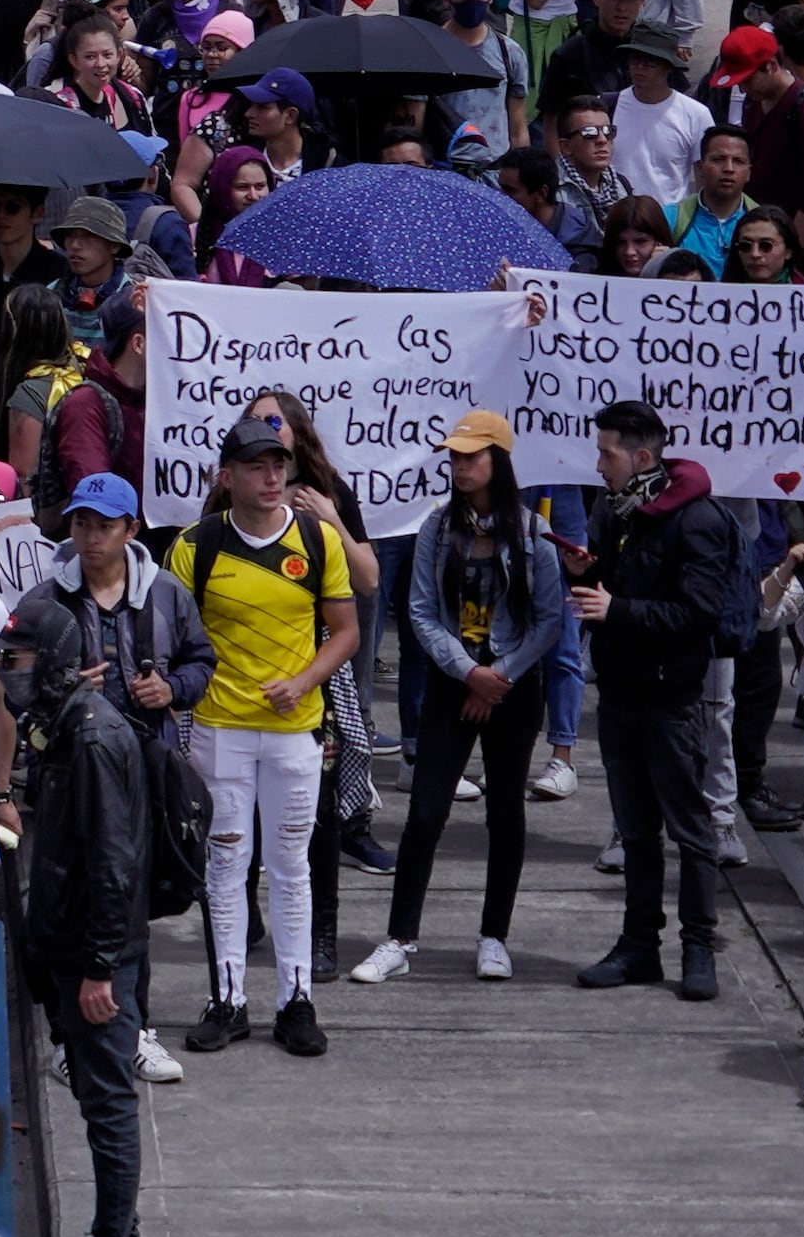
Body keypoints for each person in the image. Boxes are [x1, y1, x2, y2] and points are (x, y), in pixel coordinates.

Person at [361, 407, 571, 986]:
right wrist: (467, 672)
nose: (458, 465)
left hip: (511, 690)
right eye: (453, 456)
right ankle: (400, 937)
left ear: (498, 462)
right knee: (425, 812)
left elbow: (549, 620)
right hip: (454, 687)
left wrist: (497, 675)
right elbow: (422, 613)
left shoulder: (532, 535)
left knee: (506, 813)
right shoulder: (435, 528)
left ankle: (494, 937)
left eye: (470, 456)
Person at [178, 411, 356, 1053]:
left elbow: (348, 631)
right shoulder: (195, 546)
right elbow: (176, 635)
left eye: (278, 463)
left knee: (290, 868)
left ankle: (295, 1001)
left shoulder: (317, 540)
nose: (272, 475)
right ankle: (227, 1000)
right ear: (227, 478)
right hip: (221, 730)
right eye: (257, 465)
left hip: (293, 732)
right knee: (225, 867)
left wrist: (304, 682)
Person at [7, 603, 154, 1237]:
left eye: (24, 657)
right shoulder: (66, 727)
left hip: (97, 960)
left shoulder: (92, 738)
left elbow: (112, 864)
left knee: (109, 1109)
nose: (12, 671)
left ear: (58, 660)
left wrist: (98, 968)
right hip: (73, 951)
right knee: (100, 1108)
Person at [572, 394, 740, 1000]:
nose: (599, 465)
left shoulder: (697, 520)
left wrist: (618, 609)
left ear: (643, 456)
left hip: (671, 698)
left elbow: (699, 614)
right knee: (636, 830)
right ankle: (639, 945)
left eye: (607, 453)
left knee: (691, 829)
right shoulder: (618, 511)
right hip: (619, 693)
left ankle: (700, 948)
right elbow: (614, 592)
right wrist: (585, 576)